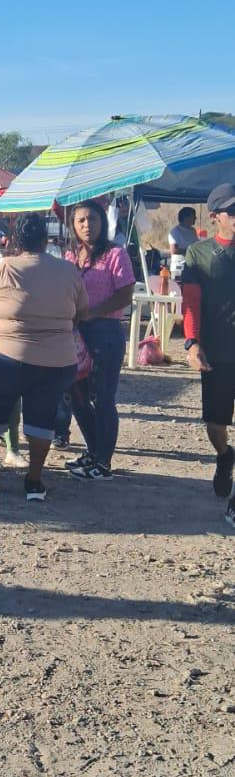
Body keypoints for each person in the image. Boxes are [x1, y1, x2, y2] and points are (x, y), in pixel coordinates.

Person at [0, 213, 87, 500]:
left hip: (6, 357)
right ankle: (34, 481)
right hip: (57, 360)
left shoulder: (3, 270)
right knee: (41, 419)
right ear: (45, 240)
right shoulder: (69, 271)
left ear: (15, 241)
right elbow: (83, 313)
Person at [65, 199, 135, 480]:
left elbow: (124, 295)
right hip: (76, 334)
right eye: (81, 220)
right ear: (73, 225)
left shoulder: (116, 254)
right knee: (77, 396)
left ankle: (103, 462)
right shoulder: (71, 257)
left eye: (92, 220)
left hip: (105, 332)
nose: (87, 225)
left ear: (102, 222)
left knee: (104, 398)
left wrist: (92, 313)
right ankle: (93, 452)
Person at [181, 183, 235, 525]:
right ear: (215, 217)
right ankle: (225, 455)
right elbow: (190, 304)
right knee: (216, 424)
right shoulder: (198, 254)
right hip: (217, 352)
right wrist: (192, 343)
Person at [169, 207, 198, 282]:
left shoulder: (193, 231)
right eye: (194, 216)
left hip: (192, 267)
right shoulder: (175, 231)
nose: (196, 218)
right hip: (179, 267)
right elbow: (174, 251)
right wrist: (191, 251)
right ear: (186, 217)